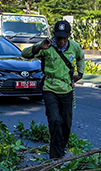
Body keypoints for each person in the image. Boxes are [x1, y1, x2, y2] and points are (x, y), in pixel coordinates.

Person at [21, 20, 84, 160]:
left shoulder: (74, 47)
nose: (61, 41)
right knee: (55, 120)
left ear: (69, 36)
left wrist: (80, 74)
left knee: (66, 123)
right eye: (58, 37)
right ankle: (56, 156)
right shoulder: (46, 46)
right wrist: (38, 47)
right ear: (54, 35)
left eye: (64, 38)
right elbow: (24, 54)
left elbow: (81, 58)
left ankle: (60, 149)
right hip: (49, 88)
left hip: (67, 89)